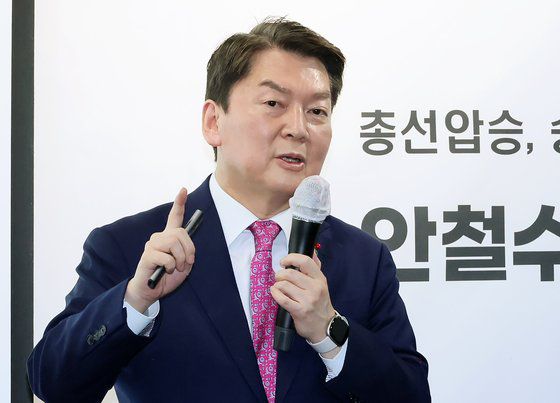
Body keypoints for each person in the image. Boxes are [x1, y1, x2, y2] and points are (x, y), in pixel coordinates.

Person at [28, 18, 430, 402]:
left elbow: (410, 396)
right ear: (213, 121)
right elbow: (53, 383)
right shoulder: (130, 247)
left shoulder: (364, 259)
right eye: (274, 103)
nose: (299, 128)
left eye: (317, 111)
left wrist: (330, 331)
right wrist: (135, 300)